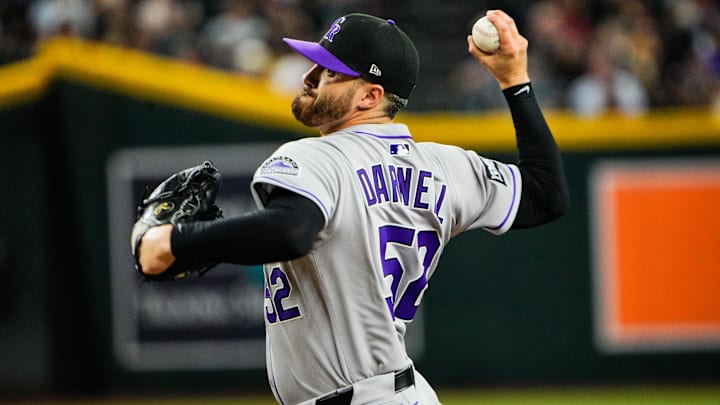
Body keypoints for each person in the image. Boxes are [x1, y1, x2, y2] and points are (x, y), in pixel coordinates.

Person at [138, 10, 569, 404]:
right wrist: (516, 83)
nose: (309, 76)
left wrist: (175, 241)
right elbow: (545, 195)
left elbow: (291, 230)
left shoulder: (316, 157)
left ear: (370, 96)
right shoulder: (444, 166)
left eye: (329, 71)